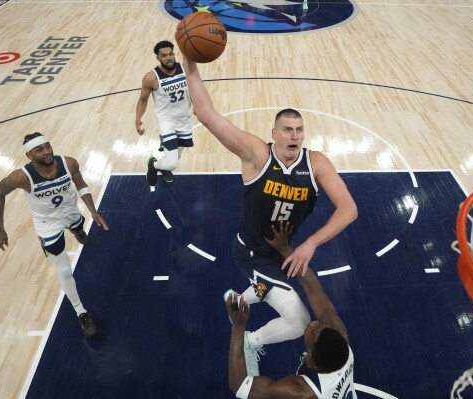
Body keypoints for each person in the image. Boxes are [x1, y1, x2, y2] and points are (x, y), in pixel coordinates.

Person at [184, 57, 358, 374]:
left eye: (300, 130)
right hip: (252, 251)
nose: (295, 136)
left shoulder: (315, 163)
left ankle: (238, 298)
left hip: (282, 248)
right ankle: (252, 341)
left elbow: (349, 209)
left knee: (279, 287)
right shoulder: (256, 155)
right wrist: (191, 68)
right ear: (274, 133)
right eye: (287, 130)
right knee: (300, 321)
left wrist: (311, 244)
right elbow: (207, 115)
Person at [0, 132, 109, 337]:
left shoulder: (69, 163)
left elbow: (81, 185)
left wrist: (93, 210)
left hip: (70, 210)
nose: (47, 151)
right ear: (29, 155)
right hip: (47, 223)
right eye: (40, 149)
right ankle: (81, 312)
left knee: (78, 226)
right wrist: (0, 229)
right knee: (64, 270)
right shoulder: (20, 177)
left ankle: (78, 231)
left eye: (48, 146)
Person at [226, 222, 355, 398]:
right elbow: (313, 289)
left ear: (309, 357)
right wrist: (285, 249)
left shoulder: (300, 392)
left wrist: (238, 327)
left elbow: (239, 386)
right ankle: (253, 341)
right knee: (300, 322)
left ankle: (248, 337)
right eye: (320, 326)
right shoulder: (338, 335)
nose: (314, 323)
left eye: (313, 330)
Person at [135, 40, 194, 187]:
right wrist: (138, 121)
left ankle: (163, 165)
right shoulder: (151, 78)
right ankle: (154, 165)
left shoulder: (184, 69)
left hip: (183, 119)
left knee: (176, 157)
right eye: (164, 55)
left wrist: (197, 106)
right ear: (158, 58)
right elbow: (143, 100)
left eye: (171, 54)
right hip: (166, 121)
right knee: (172, 163)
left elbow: (192, 89)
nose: (169, 58)